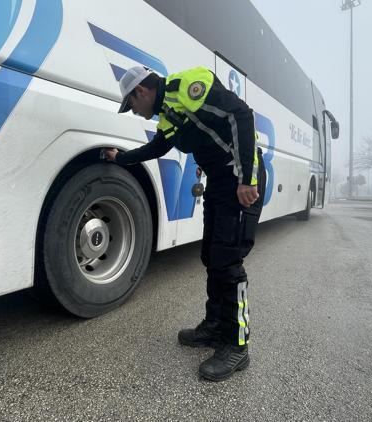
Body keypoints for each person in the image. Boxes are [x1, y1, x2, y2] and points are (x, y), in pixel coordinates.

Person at [103, 66, 265, 381]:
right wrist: (118, 158)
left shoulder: (188, 86)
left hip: (240, 178)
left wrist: (247, 178)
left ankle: (238, 344)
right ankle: (216, 326)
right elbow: (157, 148)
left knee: (229, 262)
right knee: (211, 256)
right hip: (219, 182)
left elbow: (241, 115)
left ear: (142, 91)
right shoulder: (167, 116)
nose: (135, 111)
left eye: (132, 104)